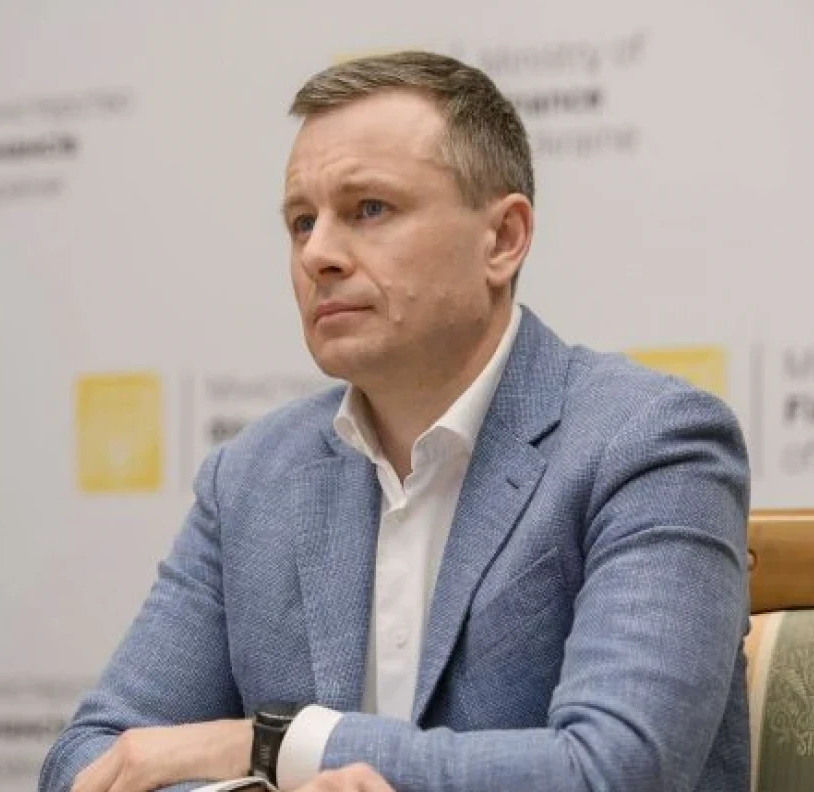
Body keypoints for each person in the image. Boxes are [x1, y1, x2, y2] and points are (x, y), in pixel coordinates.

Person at [40, 51, 751, 792]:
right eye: (301, 222)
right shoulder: (251, 477)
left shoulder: (650, 443)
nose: (317, 254)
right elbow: (93, 756)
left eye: (369, 210)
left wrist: (278, 744)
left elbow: (615, 771)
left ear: (503, 239)